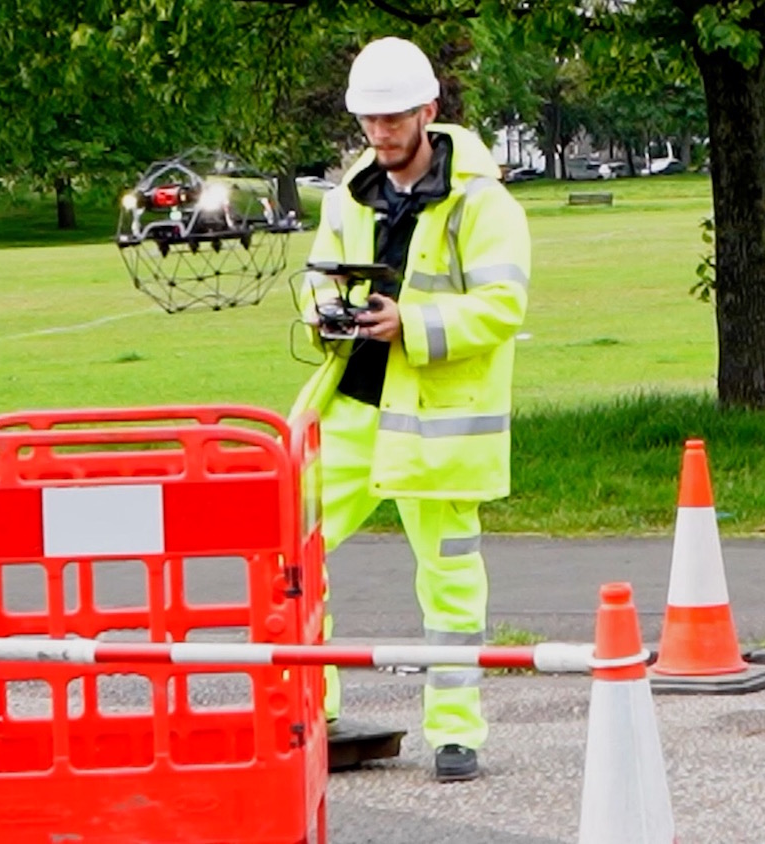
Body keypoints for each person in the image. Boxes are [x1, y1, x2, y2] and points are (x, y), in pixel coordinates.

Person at [290, 36, 532, 783]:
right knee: (290, 553)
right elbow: (315, 281)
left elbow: (502, 307)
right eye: (368, 121)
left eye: (393, 119)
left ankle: (457, 734)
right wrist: (324, 312)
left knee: (450, 577)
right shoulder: (347, 194)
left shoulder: (484, 204)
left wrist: (413, 324)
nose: (381, 134)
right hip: (355, 406)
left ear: (429, 110)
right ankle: (311, 709)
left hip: (436, 415)